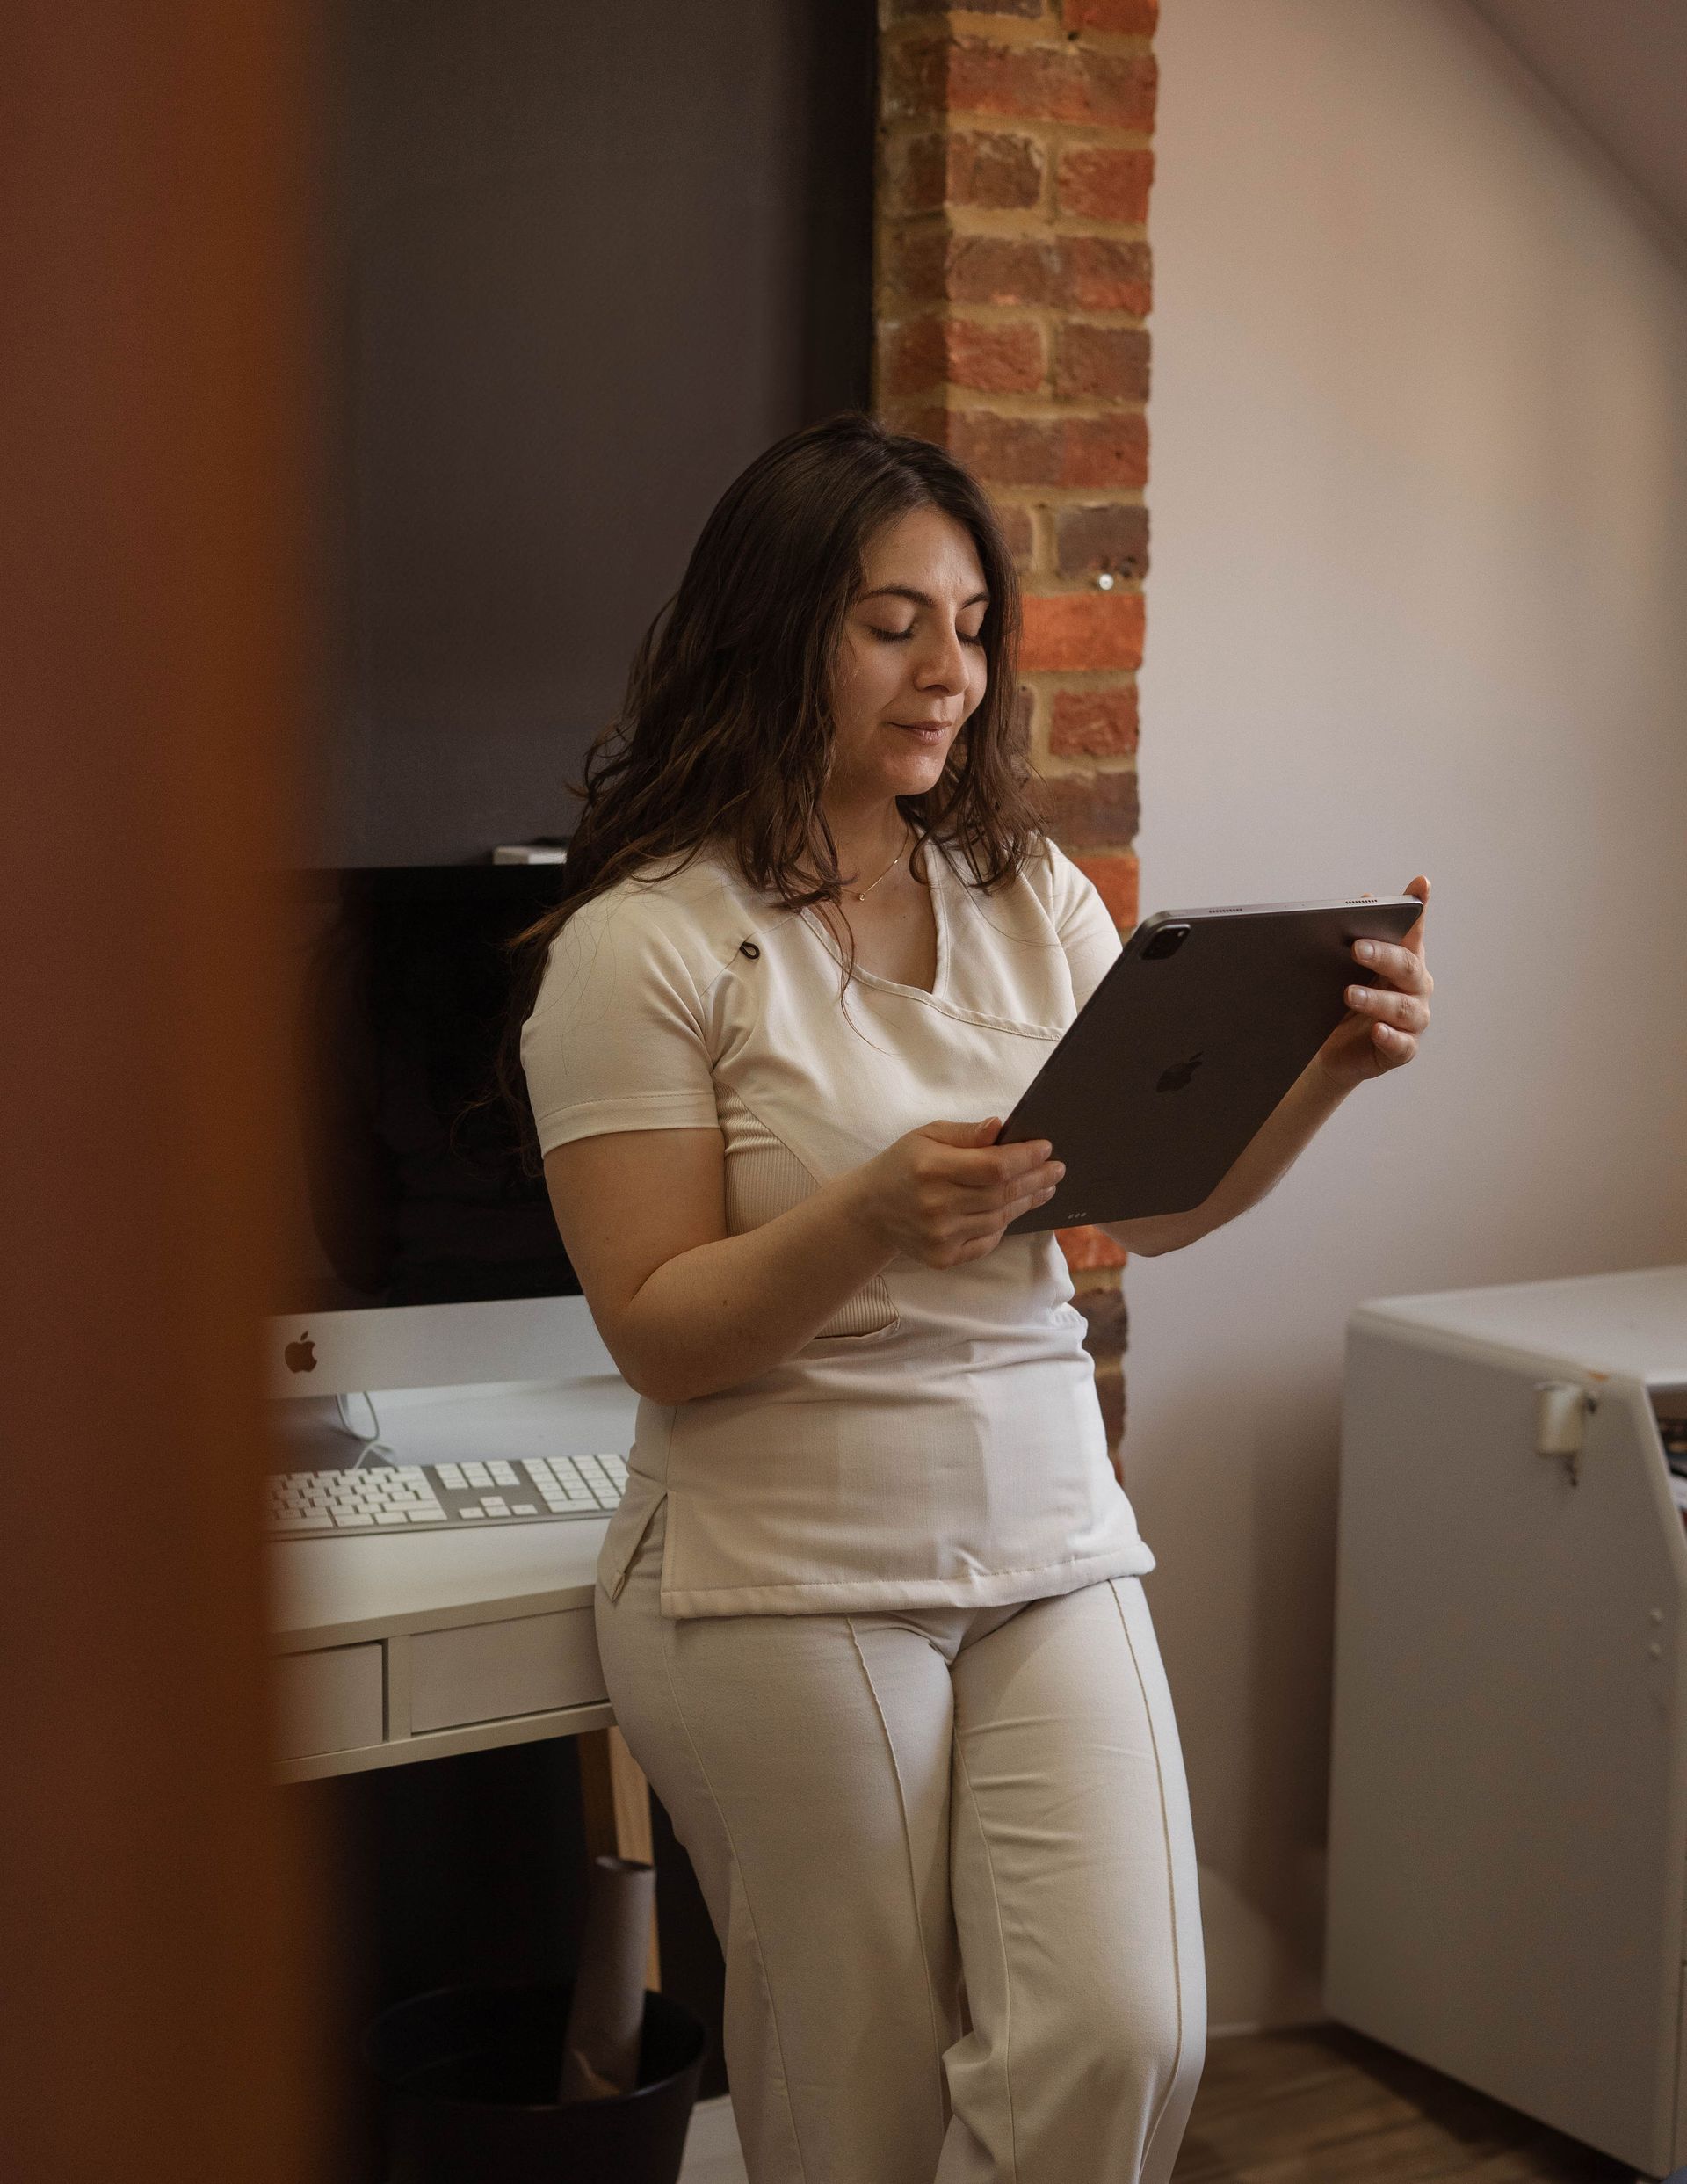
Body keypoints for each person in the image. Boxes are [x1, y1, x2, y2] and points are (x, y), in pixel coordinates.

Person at [514, 412, 1433, 2184]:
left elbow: (1145, 1214)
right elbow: (654, 1325)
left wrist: (1319, 1070)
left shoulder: (1031, 899)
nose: (953, 671)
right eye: (890, 624)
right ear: (775, 629)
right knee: (857, 2099)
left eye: (972, 624)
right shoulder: (644, 939)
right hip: (772, 1569)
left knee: (1132, 2032)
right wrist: (868, 1214)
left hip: (1043, 1535)